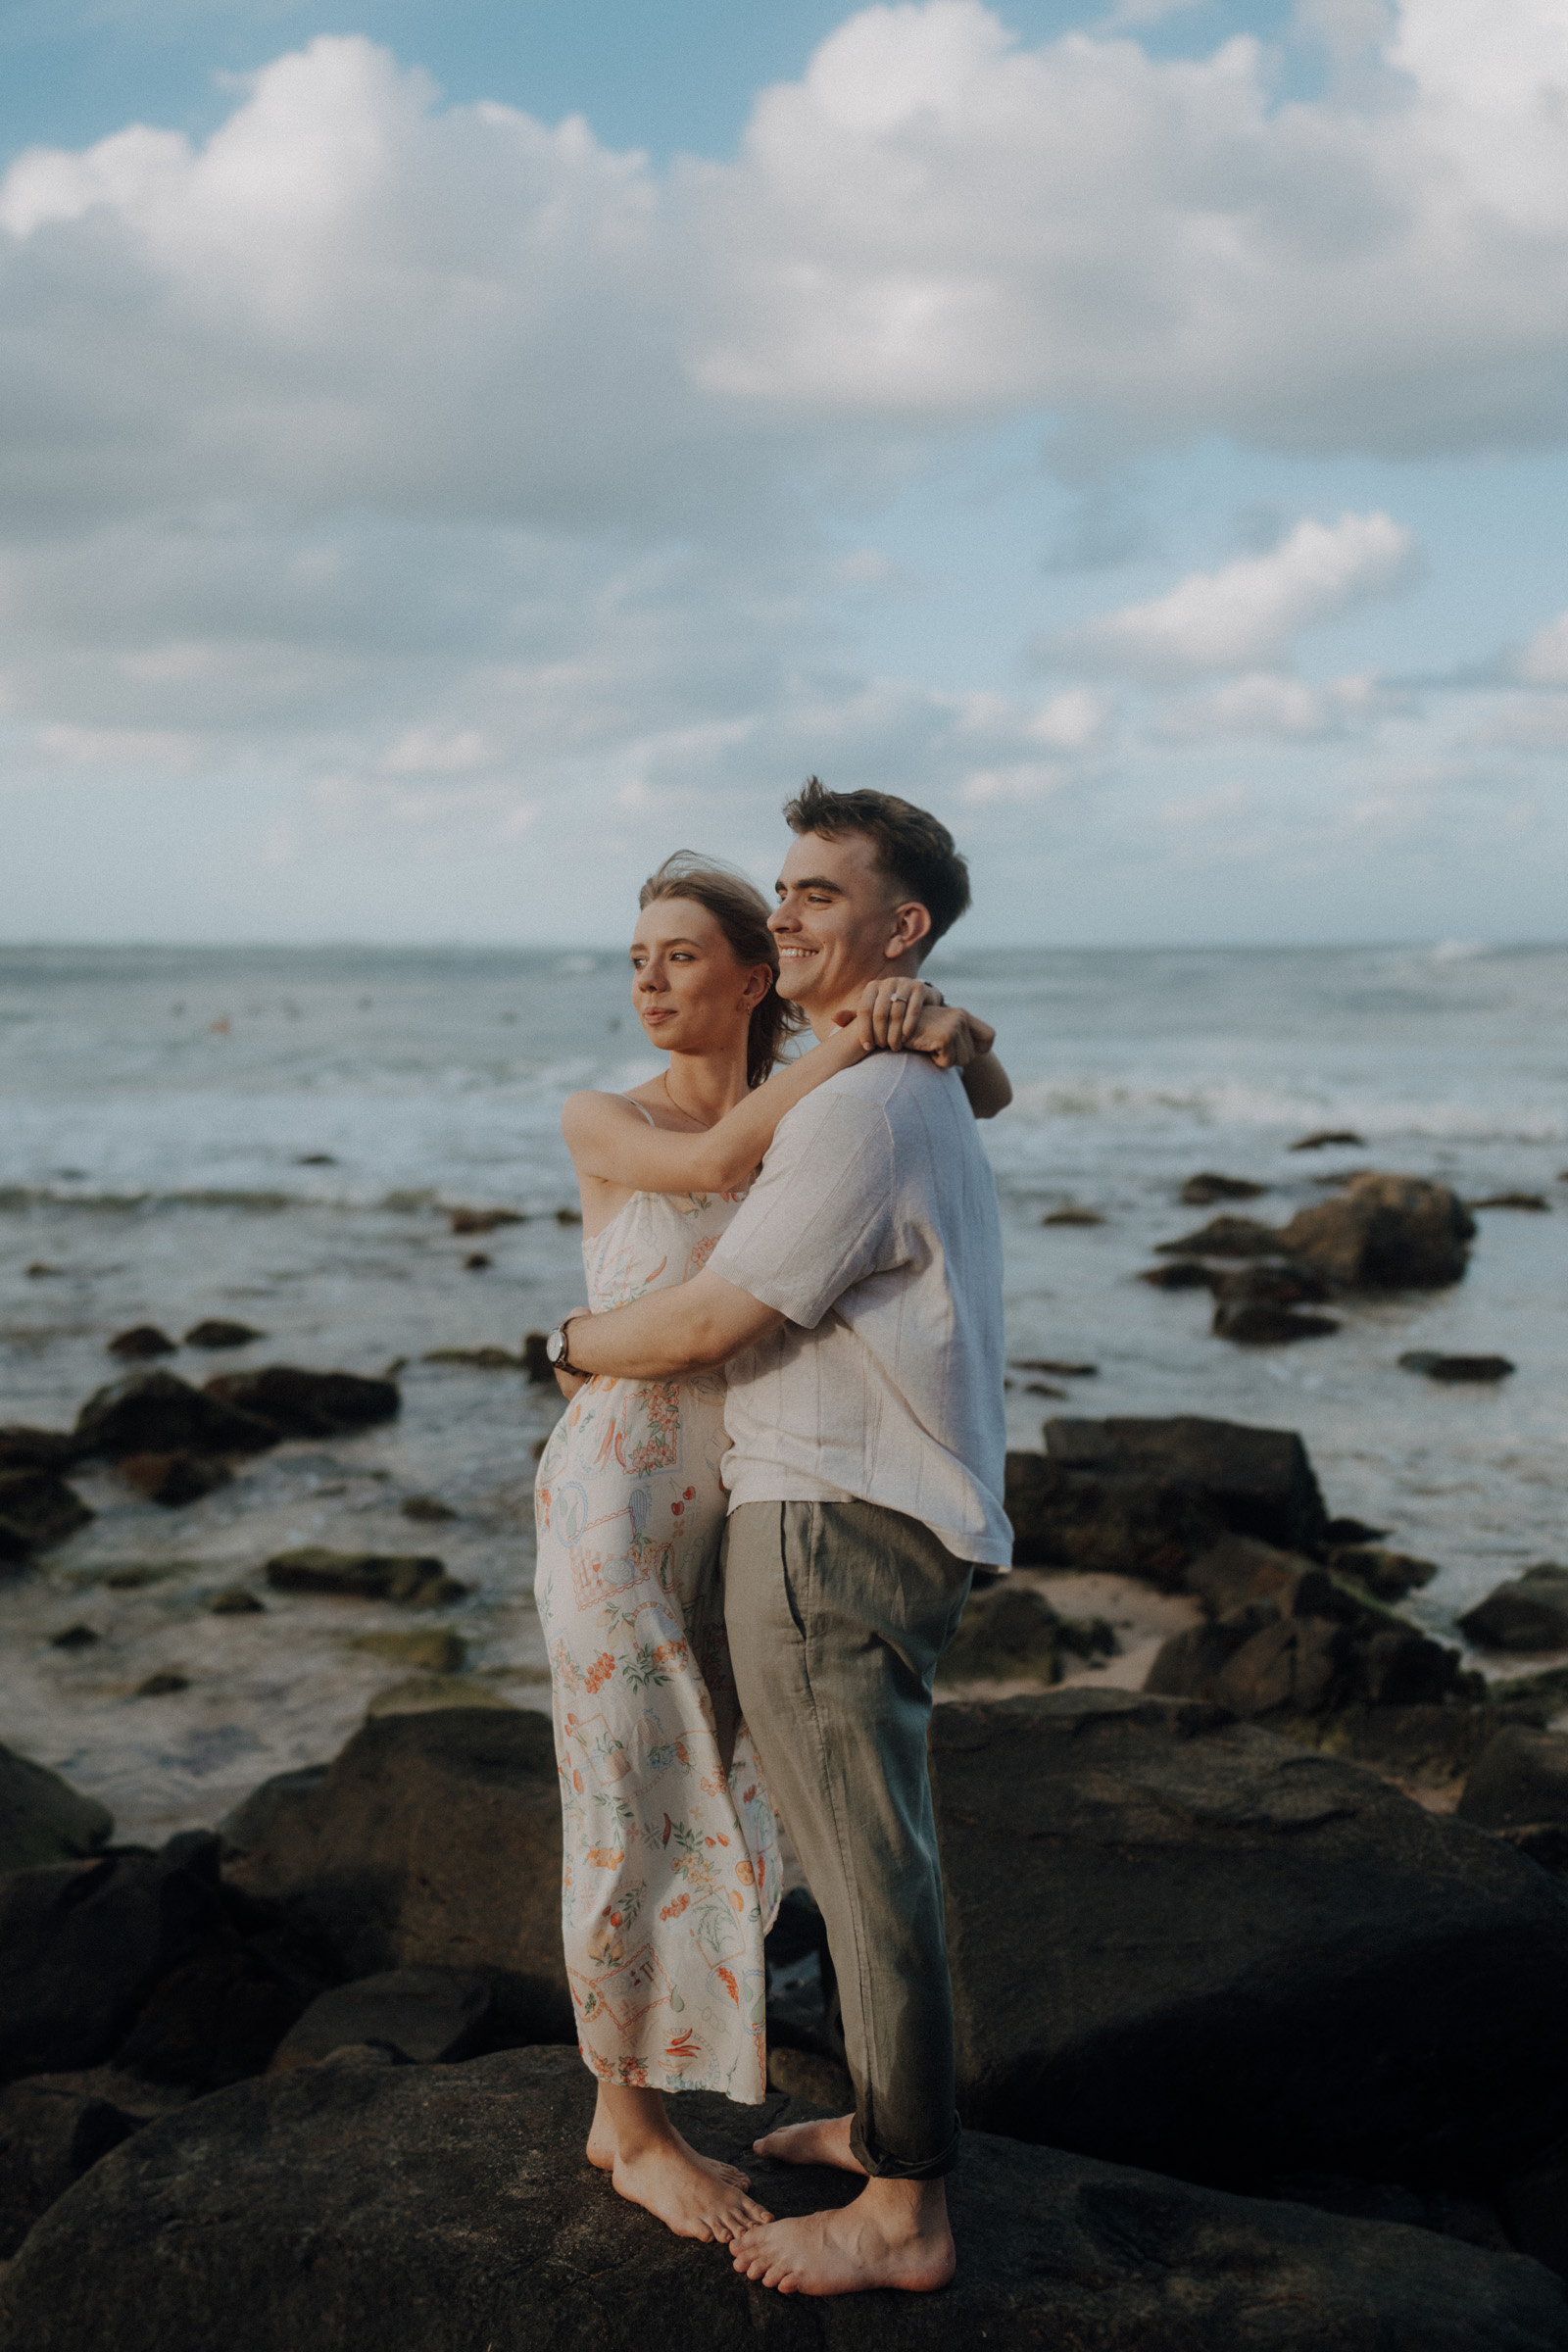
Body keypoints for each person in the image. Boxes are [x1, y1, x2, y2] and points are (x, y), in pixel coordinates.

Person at [552, 784, 1011, 2297]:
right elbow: (699, 1207)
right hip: (634, 1480)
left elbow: (763, 1251)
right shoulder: (647, 1110)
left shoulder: (838, 1103)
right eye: (638, 953)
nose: (649, 977)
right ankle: (629, 2119)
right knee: (628, 1778)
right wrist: (891, 1032)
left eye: (686, 950)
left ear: (755, 974)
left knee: (740, 1812)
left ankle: (876, 2151)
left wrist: (944, 1037)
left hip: (755, 1494)